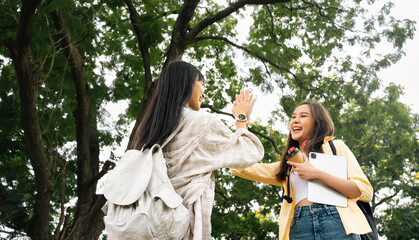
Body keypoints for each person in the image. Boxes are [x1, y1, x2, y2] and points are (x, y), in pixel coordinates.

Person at [130, 60, 264, 239]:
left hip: (150, 224)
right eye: (201, 83)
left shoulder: (149, 129)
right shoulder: (202, 123)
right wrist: (241, 118)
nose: (204, 93)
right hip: (184, 226)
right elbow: (249, 151)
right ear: (186, 82)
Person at [231, 101, 373, 240]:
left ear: (317, 123)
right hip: (299, 227)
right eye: (293, 117)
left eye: (303, 116)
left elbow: (365, 191)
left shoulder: (336, 147)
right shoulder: (287, 165)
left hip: (337, 223)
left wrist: (317, 174)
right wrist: (242, 121)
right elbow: (240, 165)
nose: (296, 121)